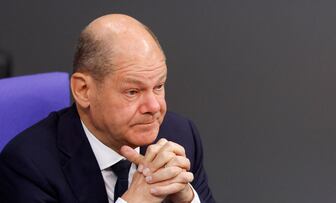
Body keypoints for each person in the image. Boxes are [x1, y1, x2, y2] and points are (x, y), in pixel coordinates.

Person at [0, 14, 215, 203]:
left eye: (159, 86)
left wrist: (187, 199)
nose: (154, 107)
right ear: (83, 90)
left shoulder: (179, 136)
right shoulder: (29, 166)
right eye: (133, 92)